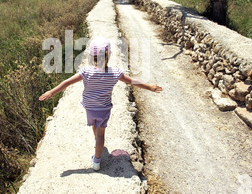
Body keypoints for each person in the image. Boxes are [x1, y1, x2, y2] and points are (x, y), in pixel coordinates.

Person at [39, 37, 163, 171]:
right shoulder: (115, 73)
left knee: (94, 126)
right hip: (104, 109)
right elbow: (132, 81)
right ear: (108, 55)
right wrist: (149, 87)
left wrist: (51, 92)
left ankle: (97, 144)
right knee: (101, 135)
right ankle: (97, 161)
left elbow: (67, 82)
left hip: (90, 108)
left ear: (92, 56)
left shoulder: (85, 72)